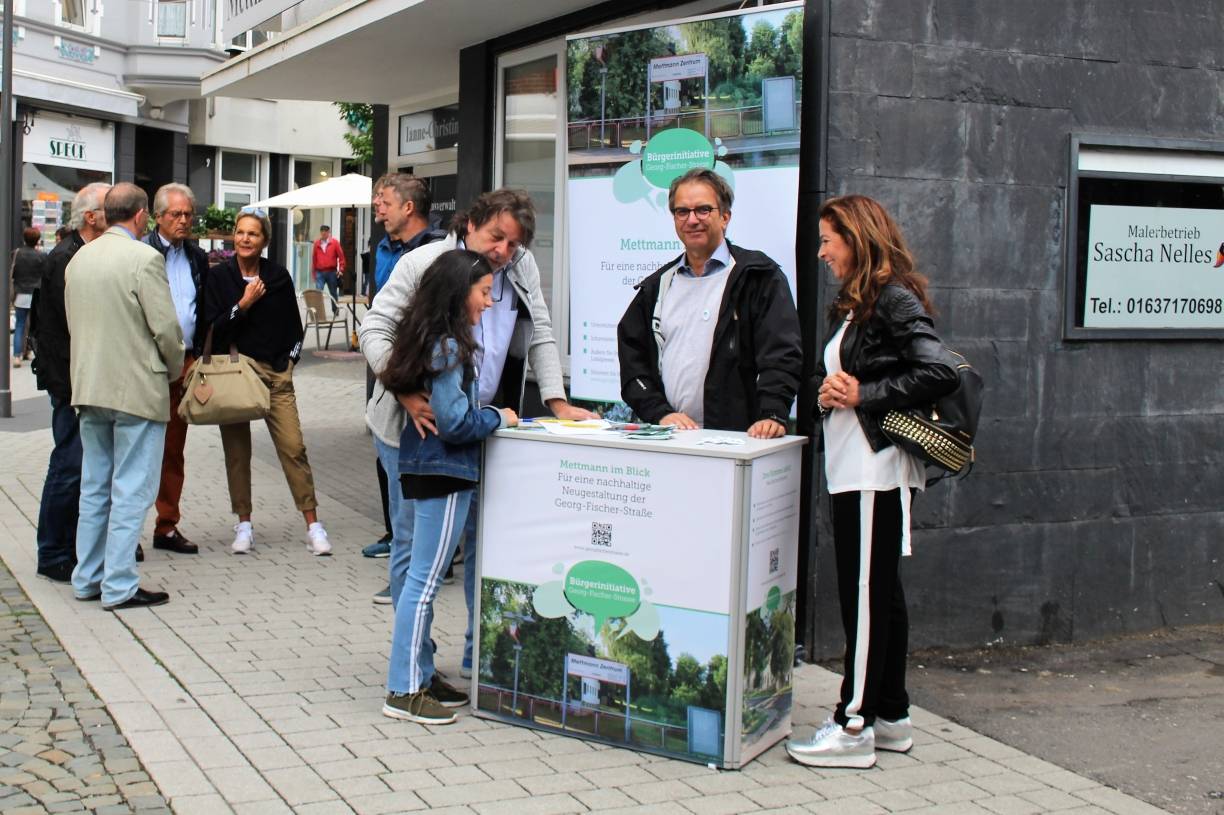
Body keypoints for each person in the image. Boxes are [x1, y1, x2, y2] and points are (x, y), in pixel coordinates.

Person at [361, 188, 595, 678]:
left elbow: (542, 331)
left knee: (483, 542)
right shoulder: (425, 260)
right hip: (411, 427)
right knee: (414, 549)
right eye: (496, 238)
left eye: (514, 244)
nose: (503, 252)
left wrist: (556, 401)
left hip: (475, 426)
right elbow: (375, 328)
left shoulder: (520, 266)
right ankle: (415, 666)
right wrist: (404, 389)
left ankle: (479, 658)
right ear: (471, 223)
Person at [786, 194, 958, 769]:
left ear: (856, 240)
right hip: (852, 468)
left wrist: (862, 392)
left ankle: (852, 724)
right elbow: (825, 375)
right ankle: (891, 715)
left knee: (864, 597)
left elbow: (937, 371)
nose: (822, 251)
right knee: (882, 596)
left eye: (828, 240)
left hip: (874, 471)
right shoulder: (854, 305)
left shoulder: (893, 299)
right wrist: (826, 391)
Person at [378, 249, 517, 724]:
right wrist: (498, 416)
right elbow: (455, 422)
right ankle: (405, 689)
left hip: (424, 467)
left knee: (420, 577)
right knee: (425, 581)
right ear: (461, 294)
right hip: (445, 471)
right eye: (483, 293)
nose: (488, 303)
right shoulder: (452, 347)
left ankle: (417, 675)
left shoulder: (427, 338)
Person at [65, 182, 183, 610]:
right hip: (135, 387)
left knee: (95, 486)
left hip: (90, 385)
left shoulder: (79, 259)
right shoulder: (144, 258)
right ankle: (118, 584)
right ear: (140, 217)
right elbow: (166, 329)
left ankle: (87, 577)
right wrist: (172, 371)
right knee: (132, 489)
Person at [617, 167, 802, 438]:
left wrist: (772, 412)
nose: (692, 220)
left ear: (725, 217)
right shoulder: (657, 286)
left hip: (737, 440)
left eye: (703, 210)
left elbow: (782, 353)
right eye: (682, 211)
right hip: (669, 437)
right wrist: (660, 412)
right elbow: (633, 361)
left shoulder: (758, 276)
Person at [203, 208, 331, 556]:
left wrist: (289, 362)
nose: (245, 239)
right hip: (235, 372)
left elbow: (294, 326)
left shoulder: (277, 277)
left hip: (274, 373)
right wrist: (242, 304)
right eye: (240, 232)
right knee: (237, 453)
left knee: (293, 447)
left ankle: (313, 525)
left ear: (264, 241)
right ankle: (243, 524)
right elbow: (211, 327)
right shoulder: (220, 278)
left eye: (253, 234)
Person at [362, 174, 447, 597]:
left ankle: (417, 570)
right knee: (389, 467)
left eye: (385, 201)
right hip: (386, 373)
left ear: (409, 207)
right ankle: (395, 538)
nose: (377, 207)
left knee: (415, 484)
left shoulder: (433, 253)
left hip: (421, 380)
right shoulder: (381, 249)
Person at [31, 183, 110, 583]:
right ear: (91, 217)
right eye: (109, 206)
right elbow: (60, 331)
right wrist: (69, 388)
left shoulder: (93, 253)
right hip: (72, 383)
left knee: (87, 467)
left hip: (89, 378)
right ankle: (53, 552)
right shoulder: (66, 258)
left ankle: (80, 546)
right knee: (70, 464)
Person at [143, 183, 209, 556]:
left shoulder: (195, 257)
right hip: (147, 363)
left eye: (188, 214)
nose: (184, 221)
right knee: (138, 448)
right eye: (176, 215)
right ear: (157, 217)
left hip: (183, 362)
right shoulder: (142, 252)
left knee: (173, 449)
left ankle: (166, 526)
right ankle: (126, 532)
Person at [11, 227, 46, 367]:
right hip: (35, 294)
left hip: (20, 292)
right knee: (34, 325)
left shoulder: (16, 253)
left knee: (19, 324)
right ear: (37, 240)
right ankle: (29, 350)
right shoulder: (42, 256)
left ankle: (17, 356)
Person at [311, 224, 344, 305]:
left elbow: (341, 257)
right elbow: (314, 259)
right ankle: (318, 312)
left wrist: (341, 269)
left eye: (325, 232)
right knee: (318, 293)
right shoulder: (316, 243)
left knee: (333, 293)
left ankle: (335, 310)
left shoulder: (335, 243)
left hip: (331, 272)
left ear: (329, 232)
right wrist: (314, 273)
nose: (323, 233)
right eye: (322, 231)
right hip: (320, 272)